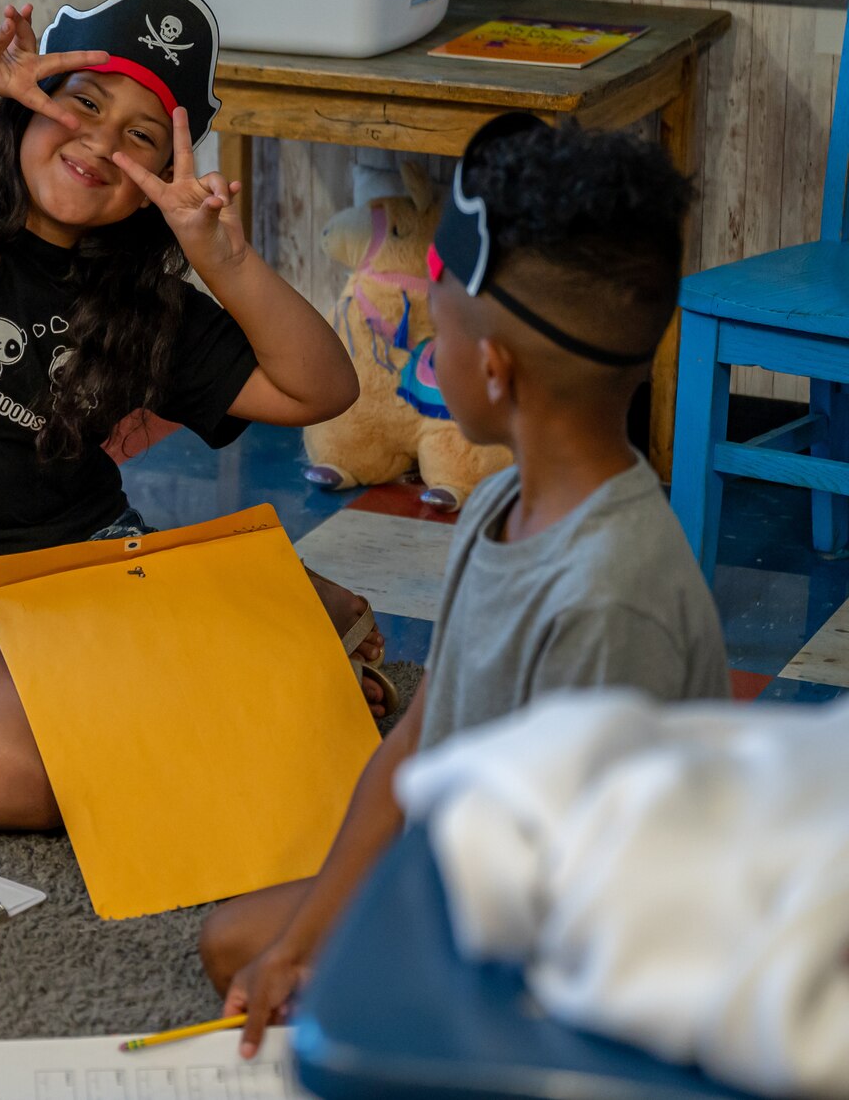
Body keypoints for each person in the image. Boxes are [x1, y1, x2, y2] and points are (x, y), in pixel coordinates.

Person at [0, 0, 379, 831]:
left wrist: (225, 256)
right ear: (33, 96)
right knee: (15, 779)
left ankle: (262, 606)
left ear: (158, 182)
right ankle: (254, 612)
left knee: (155, 727)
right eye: (85, 102)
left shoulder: (144, 303)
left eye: (143, 136)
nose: (100, 144)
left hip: (87, 569)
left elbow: (321, 388)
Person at [203, 115, 732, 1057]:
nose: (421, 353)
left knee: (337, 1015)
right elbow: (419, 737)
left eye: (432, 327)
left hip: (576, 946)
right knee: (243, 944)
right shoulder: (500, 503)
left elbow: (594, 899)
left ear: (489, 368)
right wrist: (314, 937)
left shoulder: (612, 598)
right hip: (469, 869)